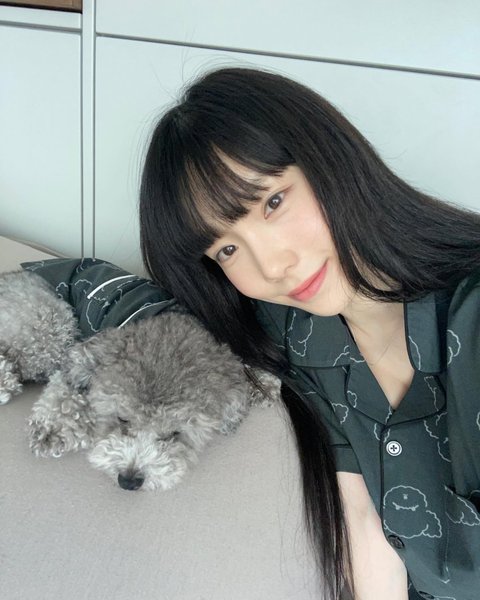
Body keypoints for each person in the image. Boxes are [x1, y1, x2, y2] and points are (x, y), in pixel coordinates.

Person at [23, 66, 480, 600]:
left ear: (329, 158)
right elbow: (363, 522)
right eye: (226, 249)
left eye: (273, 202)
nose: (272, 266)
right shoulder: (295, 333)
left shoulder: (467, 316)